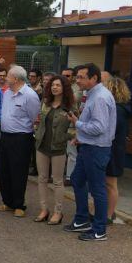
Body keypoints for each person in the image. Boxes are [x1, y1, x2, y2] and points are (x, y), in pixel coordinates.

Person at [64, 63, 116, 241]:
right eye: (77, 77)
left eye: (81, 77)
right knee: (77, 180)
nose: (77, 80)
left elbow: (99, 127)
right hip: (88, 146)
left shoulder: (100, 97)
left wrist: (77, 123)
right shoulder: (92, 95)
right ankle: (82, 219)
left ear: (94, 78)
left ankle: (99, 229)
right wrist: (81, 136)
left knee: (97, 189)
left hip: (96, 149)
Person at [0, 65, 40, 217]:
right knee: (3, 170)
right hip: (5, 136)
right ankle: (7, 202)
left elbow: (35, 117)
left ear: (15, 78)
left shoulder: (30, 95)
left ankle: (19, 205)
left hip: (21, 138)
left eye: (8, 76)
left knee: (18, 172)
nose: (5, 78)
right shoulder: (7, 93)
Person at [33, 75, 75, 225]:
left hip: (58, 147)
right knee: (42, 179)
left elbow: (77, 128)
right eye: (53, 85)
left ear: (64, 88)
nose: (54, 87)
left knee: (57, 181)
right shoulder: (45, 103)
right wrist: (36, 129)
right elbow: (38, 121)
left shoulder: (70, 106)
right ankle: (44, 210)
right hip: (42, 145)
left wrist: (66, 136)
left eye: (58, 85)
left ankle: (58, 212)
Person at [102, 73, 131, 224]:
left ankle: (109, 214)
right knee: (105, 183)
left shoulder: (118, 110)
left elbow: (111, 130)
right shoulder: (121, 109)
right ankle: (105, 211)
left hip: (113, 150)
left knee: (111, 183)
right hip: (115, 149)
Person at [61, 67, 82, 186]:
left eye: (68, 76)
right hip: (61, 125)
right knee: (62, 152)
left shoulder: (76, 89)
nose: (65, 78)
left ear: (73, 77)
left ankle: (70, 177)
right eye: (63, 75)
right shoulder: (61, 87)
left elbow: (73, 100)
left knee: (72, 152)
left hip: (72, 126)